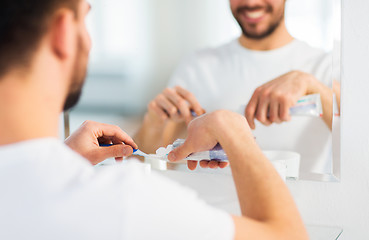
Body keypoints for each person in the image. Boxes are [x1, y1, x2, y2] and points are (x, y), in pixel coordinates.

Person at [0, 0, 309, 239]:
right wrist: (233, 130)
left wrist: (66, 159)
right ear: (63, 32)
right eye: (86, 16)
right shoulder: (125, 204)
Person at [134, 0, 341, 156]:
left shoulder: (325, 66)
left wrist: (311, 86)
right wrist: (153, 123)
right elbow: (149, 160)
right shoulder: (198, 65)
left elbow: (359, 144)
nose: (250, 3)